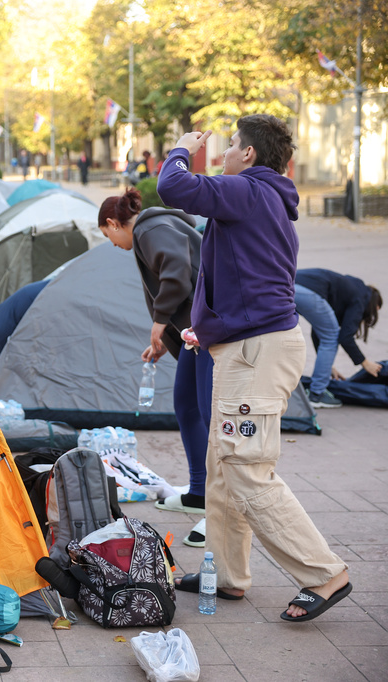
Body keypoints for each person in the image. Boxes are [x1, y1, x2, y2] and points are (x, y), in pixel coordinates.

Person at [157, 114, 351, 622]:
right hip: (244, 346)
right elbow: (251, 280)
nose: (222, 154)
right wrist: (213, 326)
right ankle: (226, 575)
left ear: (249, 155)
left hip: (257, 353)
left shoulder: (247, 190)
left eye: (230, 146)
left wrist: (180, 149)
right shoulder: (263, 199)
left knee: (245, 467)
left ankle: (323, 573)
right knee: (222, 467)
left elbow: (172, 185)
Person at [97, 187, 211, 545]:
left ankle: (222, 512)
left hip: (212, 328)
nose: (113, 245)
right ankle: (198, 491)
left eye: (108, 235)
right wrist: (168, 339)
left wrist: (159, 322)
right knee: (187, 405)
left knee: (211, 416)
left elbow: (176, 273)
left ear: (114, 223)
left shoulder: (150, 229)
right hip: (194, 335)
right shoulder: (152, 230)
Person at [295, 268, 382, 408]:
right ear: (373, 304)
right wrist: (365, 363)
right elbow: (345, 338)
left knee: (326, 334)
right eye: (374, 311)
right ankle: (317, 394)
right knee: (331, 336)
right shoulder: (361, 298)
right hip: (307, 291)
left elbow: (318, 333)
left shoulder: (350, 288)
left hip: (284, 285)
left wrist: (328, 367)